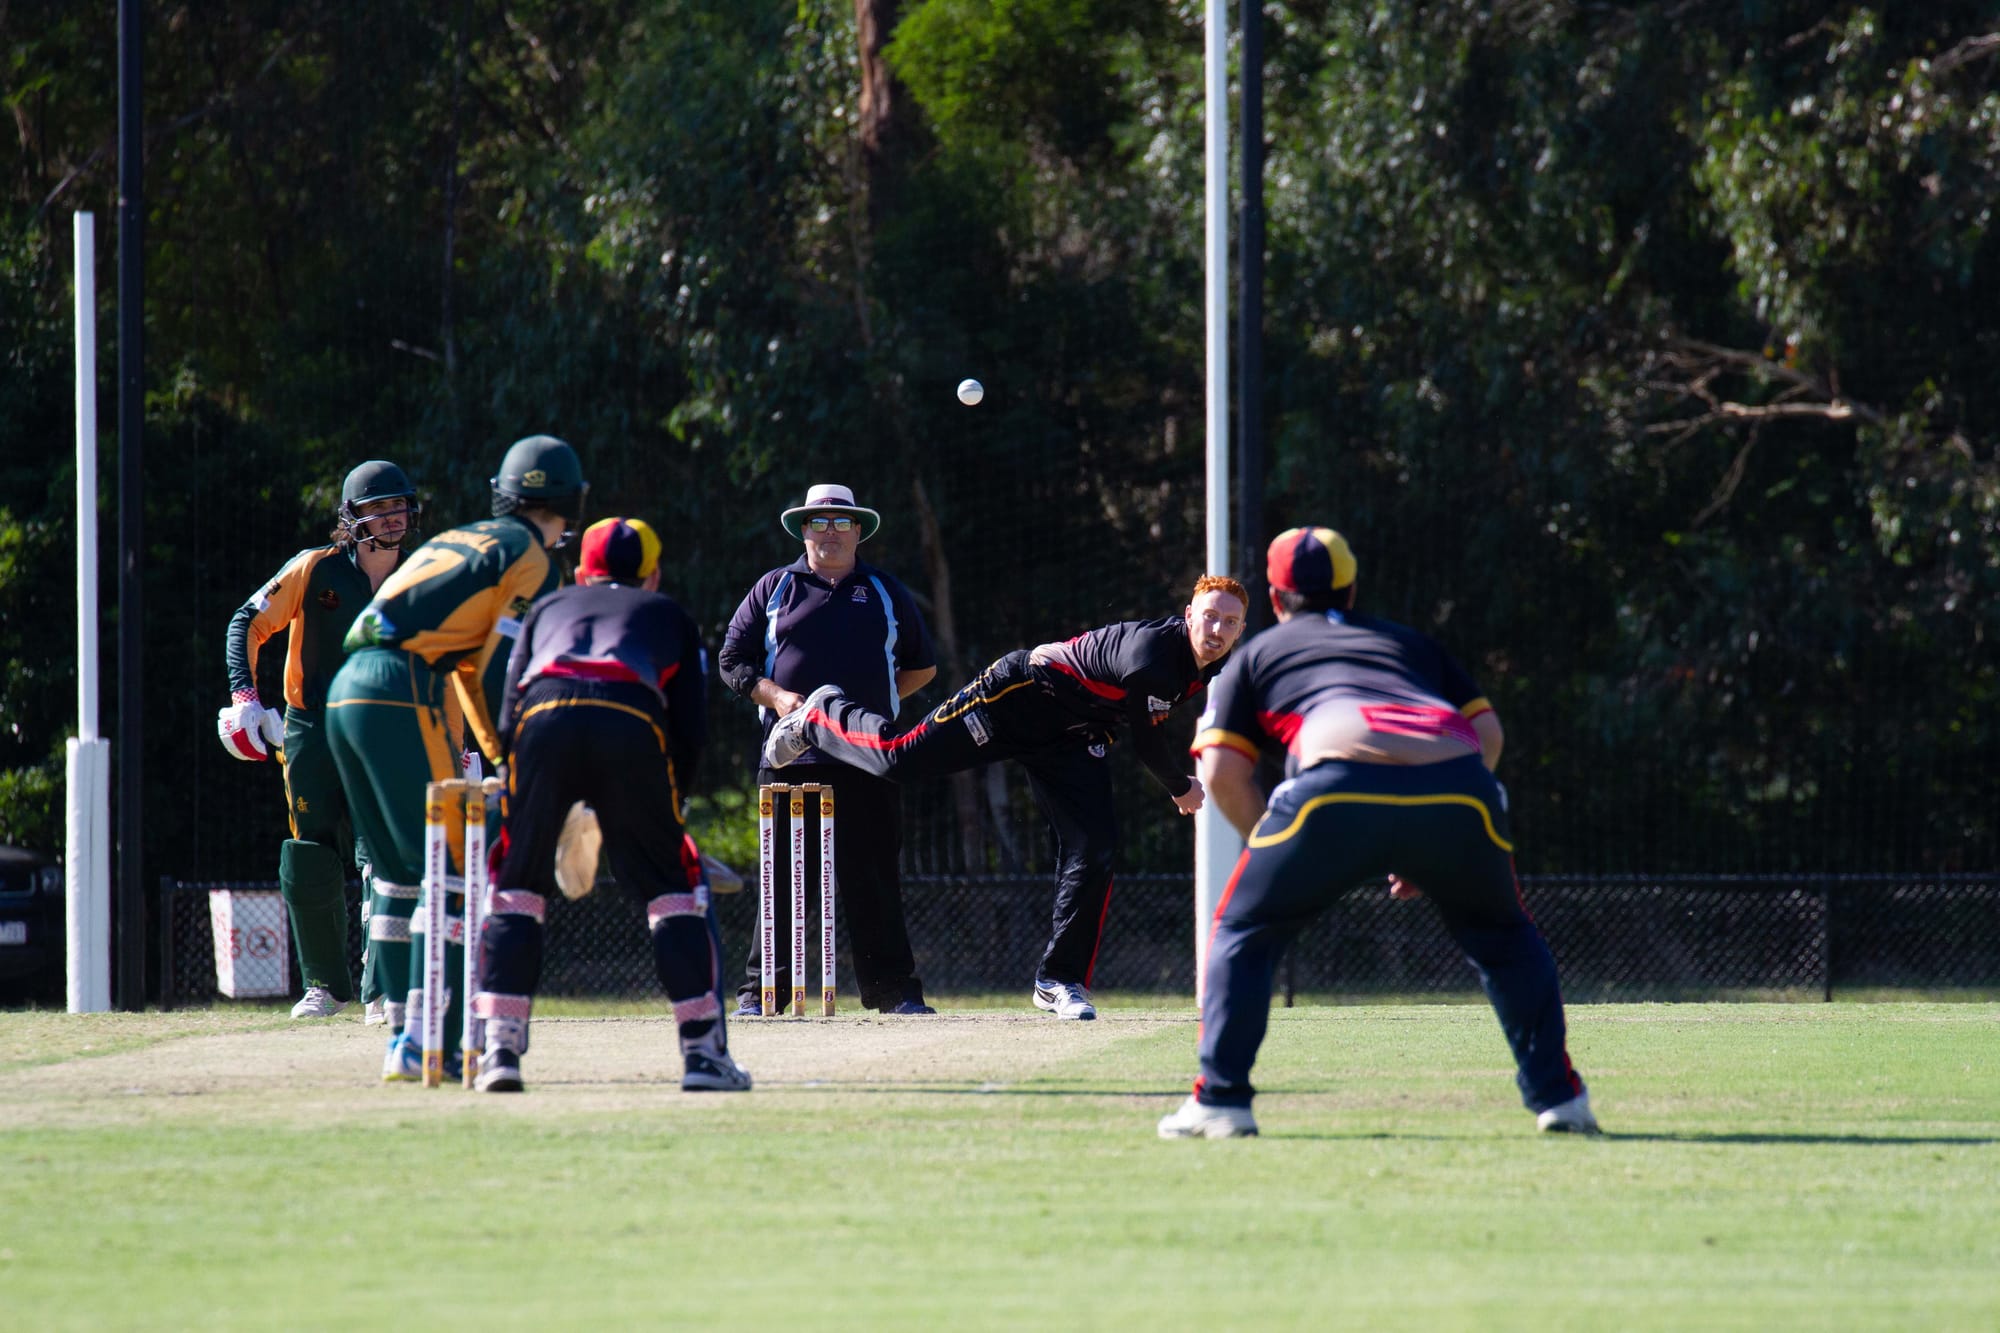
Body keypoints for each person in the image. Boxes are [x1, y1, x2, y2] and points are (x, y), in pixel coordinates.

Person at [1157, 527, 1596, 1139]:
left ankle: (1222, 1101)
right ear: (1353, 588)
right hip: (1459, 788)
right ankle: (1562, 1100)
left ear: (1277, 598)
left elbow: (1222, 771)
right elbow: (1488, 734)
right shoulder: (1410, 643)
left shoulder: (1257, 653)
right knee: (1505, 936)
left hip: (1336, 785)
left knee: (1245, 930)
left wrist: (1283, 848)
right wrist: (1431, 831)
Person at [764, 575, 1251, 1020]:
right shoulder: (1154, 658)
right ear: (1188, 614)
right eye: (1209, 616)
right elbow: (1148, 742)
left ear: (1240, 629)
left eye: (1230, 622)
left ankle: (1059, 980)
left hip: (1075, 733)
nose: (1218, 629)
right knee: (899, 761)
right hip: (1016, 698)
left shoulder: (1211, 661)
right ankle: (822, 713)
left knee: (1096, 847)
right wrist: (1180, 786)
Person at [325, 434, 581, 1082]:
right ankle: (430, 1036)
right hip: (403, 690)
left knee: (398, 871)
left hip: (345, 692)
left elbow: (466, 668)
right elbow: (502, 666)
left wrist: (494, 754)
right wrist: (520, 752)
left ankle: (400, 1031)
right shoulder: (533, 557)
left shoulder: (465, 537)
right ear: (570, 502)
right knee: (461, 865)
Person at [469, 517, 749, 1093]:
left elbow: (508, 705)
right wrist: (674, 813)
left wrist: (518, 784)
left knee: (517, 885)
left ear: (579, 571)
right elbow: (691, 728)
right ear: (653, 574)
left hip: (542, 720)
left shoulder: (549, 607)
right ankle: (703, 1057)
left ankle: (498, 1052)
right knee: (673, 891)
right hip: (631, 717)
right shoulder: (668, 613)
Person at [716, 483, 938, 1016]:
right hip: (791, 754)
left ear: (859, 530)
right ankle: (762, 995)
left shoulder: (884, 590)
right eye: (818, 522)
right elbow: (732, 661)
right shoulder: (774, 588)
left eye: (841, 521)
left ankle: (894, 993)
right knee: (782, 879)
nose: (830, 531)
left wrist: (869, 713)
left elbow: (921, 667)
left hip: (868, 756)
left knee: (874, 877)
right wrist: (780, 698)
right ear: (802, 530)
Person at [217, 460, 419, 1020]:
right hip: (311, 726)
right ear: (351, 519)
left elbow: (449, 664)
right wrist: (245, 697)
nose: (393, 518)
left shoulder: (422, 577)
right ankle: (323, 986)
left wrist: (464, 745)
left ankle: (386, 989)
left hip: (388, 727)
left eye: (399, 506)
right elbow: (247, 622)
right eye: (379, 508)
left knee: (384, 854)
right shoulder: (315, 569)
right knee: (311, 853)